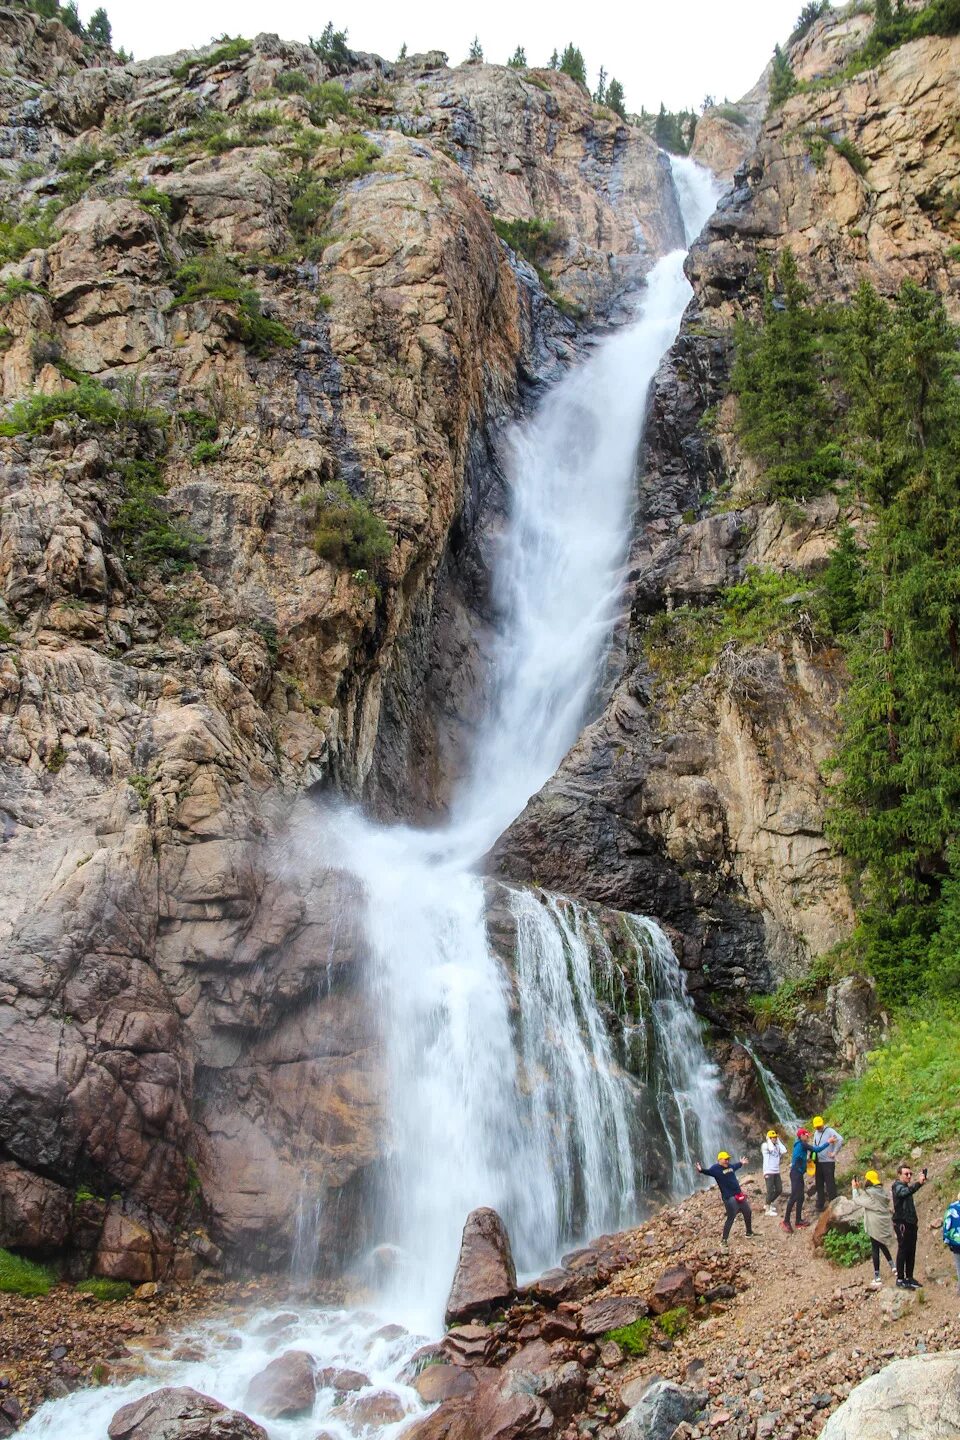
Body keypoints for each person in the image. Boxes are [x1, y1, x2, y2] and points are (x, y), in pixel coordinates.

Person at [696, 1150, 755, 1250]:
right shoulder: (715, 1169)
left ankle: (749, 1232)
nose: (727, 1161)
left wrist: (741, 1163)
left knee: (748, 1211)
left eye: (728, 1159)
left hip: (738, 1194)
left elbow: (736, 1166)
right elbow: (708, 1172)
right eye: (725, 1159)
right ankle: (724, 1240)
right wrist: (701, 1170)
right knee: (731, 1217)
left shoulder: (730, 1167)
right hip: (728, 1197)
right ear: (719, 1160)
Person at [851, 1170, 896, 1287]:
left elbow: (858, 1200)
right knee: (882, 1244)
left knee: (875, 1248)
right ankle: (893, 1266)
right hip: (883, 1223)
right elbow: (867, 1196)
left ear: (869, 1180)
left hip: (874, 1225)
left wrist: (854, 1189)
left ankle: (877, 1276)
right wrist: (859, 1189)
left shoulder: (871, 1195)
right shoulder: (880, 1192)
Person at [783, 1127, 828, 1233]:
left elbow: (800, 1157)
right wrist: (828, 1142)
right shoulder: (802, 1144)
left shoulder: (799, 1144)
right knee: (794, 1197)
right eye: (806, 1135)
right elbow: (816, 1150)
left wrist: (806, 1161)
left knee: (801, 1197)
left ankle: (798, 1220)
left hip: (798, 1173)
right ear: (801, 1136)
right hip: (795, 1174)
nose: (808, 1137)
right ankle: (786, 1221)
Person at [892, 1161, 928, 1289]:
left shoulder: (905, 1187)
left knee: (911, 1250)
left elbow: (908, 1191)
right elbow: (904, 1192)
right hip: (902, 1222)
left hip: (911, 1222)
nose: (908, 1176)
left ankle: (909, 1277)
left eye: (910, 1174)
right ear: (899, 1175)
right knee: (903, 1249)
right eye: (906, 1174)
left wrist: (919, 1184)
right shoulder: (897, 1186)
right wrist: (918, 1183)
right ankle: (901, 1278)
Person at [811, 1115, 844, 1213]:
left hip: (828, 1162)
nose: (818, 1127)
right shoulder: (816, 1133)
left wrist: (834, 1152)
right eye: (816, 1126)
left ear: (823, 1123)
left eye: (819, 1126)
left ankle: (834, 1204)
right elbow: (814, 1146)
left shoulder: (829, 1131)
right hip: (818, 1162)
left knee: (830, 1183)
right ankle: (820, 1204)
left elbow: (840, 1139)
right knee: (819, 1184)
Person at [761, 1129, 787, 1216]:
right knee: (770, 1190)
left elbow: (784, 1151)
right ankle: (767, 1210)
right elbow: (771, 1149)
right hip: (768, 1171)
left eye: (775, 1137)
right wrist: (768, 1140)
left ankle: (768, 1203)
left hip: (776, 1171)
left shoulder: (777, 1146)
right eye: (772, 1138)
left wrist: (778, 1141)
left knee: (779, 1189)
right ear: (769, 1138)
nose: (774, 1139)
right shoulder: (765, 1145)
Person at [942, 1189, 960, 1296]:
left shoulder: (952, 1207)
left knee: (959, 1266)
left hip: (956, 1243)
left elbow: (946, 1225)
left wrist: (946, 1239)